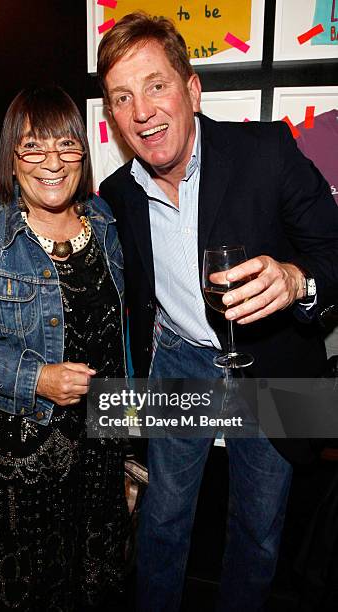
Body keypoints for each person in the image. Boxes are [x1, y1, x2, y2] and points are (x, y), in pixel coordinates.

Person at [96, 12, 338, 612]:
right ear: (113, 116)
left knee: (258, 531)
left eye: (156, 86)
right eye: (122, 97)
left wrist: (297, 278)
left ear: (192, 89)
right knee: (164, 517)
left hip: (276, 358)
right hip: (181, 359)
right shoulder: (118, 195)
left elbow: (334, 251)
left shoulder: (268, 151)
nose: (142, 110)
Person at [0, 85, 128, 611]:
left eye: (66, 147)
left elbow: (119, 339)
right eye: (33, 148)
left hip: (103, 449)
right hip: (24, 456)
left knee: (98, 576)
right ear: (11, 156)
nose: (52, 162)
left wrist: (133, 440)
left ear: (82, 154)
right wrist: (35, 377)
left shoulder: (106, 222)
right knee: (30, 586)